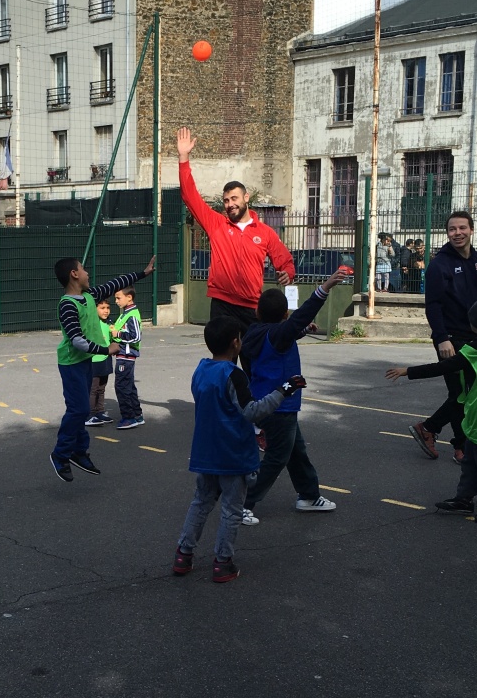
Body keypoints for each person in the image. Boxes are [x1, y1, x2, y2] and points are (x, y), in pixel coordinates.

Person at [173, 315, 304, 583]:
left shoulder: (201, 369)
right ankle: (223, 562)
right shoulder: (234, 374)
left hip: (206, 450)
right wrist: (283, 390)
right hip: (232, 452)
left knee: (201, 502)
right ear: (236, 343)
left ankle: (183, 555)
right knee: (232, 509)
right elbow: (251, 411)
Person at [386, 297, 477, 523]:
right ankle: (464, 498)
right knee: (471, 458)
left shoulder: (475, 350)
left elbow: (444, 367)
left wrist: (407, 371)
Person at [239, 269, 350, 524]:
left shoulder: (256, 331)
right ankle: (244, 503)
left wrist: (298, 331)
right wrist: (324, 288)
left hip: (264, 402)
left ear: (258, 312)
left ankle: (309, 495)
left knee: (296, 451)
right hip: (280, 406)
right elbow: (299, 318)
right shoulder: (279, 334)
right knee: (278, 455)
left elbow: (284, 334)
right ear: (286, 315)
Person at [176, 126, 294, 333]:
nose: (230, 204)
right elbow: (190, 196)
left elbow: (284, 260)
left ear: (246, 198)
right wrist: (184, 158)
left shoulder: (265, 232)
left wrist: (287, 273)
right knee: (224, 363)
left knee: (251, 360)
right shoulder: (217, 224)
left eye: (234, 199)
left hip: (252, 308)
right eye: (226, 201)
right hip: (222, 305)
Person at [50, 254, 155, 483]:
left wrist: (143, 273)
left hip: (85, 361)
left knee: (80, 409)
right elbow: (76, 339)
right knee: (78, 410)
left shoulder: (89, 296)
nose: (88, 273)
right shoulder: (67, 305)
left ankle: (79, 451)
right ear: (74, 274)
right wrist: (106, 350)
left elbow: (115, 283)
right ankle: (60, 455)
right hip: (71, 364)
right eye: (84, 269)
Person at [410, 211, 477, 464]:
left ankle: (431, 428)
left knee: (470, 392)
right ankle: (459, 446)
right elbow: (433, 305)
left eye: (462, 228)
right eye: (452, 229)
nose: (457, 233)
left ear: (472, 230)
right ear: (447, 233)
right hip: (451, 338)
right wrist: (441, 338)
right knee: (460, 393)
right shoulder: (440, 264)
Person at [112, 285, 144, 429]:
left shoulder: (132, 315)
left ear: (129, 297)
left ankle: (128, 417)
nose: (116, 301)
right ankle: (137, 415)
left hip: (126, 355)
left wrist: (117, 335)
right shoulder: (125, 313)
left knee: (121, 385)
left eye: (118, 298)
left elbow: (136, 337)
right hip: (123, 354)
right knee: (129, 385)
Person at [85, 298, 115, 426]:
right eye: (102, 308)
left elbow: (112, 338)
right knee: (93, 388)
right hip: (95, 359)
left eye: (108, 308)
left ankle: (100, 411)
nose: (106, 311)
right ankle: (89, 414)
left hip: (106, 358)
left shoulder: (109, 322)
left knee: (102, 387)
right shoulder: (93, 323)